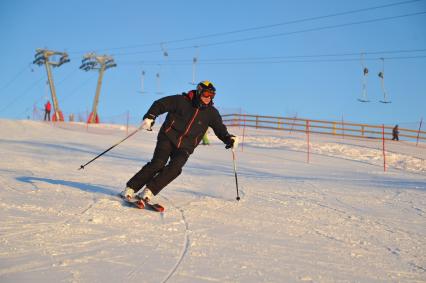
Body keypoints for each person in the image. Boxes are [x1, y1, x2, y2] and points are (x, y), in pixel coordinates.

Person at [121, 81, 238, 202]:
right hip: (168, 136)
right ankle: (131, 188)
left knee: (176, 168)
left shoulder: (211, 113)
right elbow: (160, 104)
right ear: (199, 92)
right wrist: (150, 116)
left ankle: (149, 190)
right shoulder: (181, 101)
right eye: (206, 94)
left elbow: (220, 129)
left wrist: (228, 138)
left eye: (212, 95)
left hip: (186, 146)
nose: (208, 98)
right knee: (158, 163)